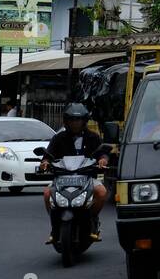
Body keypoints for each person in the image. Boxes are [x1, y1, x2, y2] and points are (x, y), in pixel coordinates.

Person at [39, 103, 109, 243]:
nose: (75, 123)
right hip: (62, 178)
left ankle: (92, 219)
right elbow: (48, 155)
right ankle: (55, 227)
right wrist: (45, 162)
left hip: (86, 178)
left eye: (78, 120)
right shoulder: (59, 138)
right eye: (72, 120)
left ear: (84, 121)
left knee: (101, 192)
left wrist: (102, 160)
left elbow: (103, 153)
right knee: (47, 193)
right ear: (66, 121)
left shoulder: (93, 137)